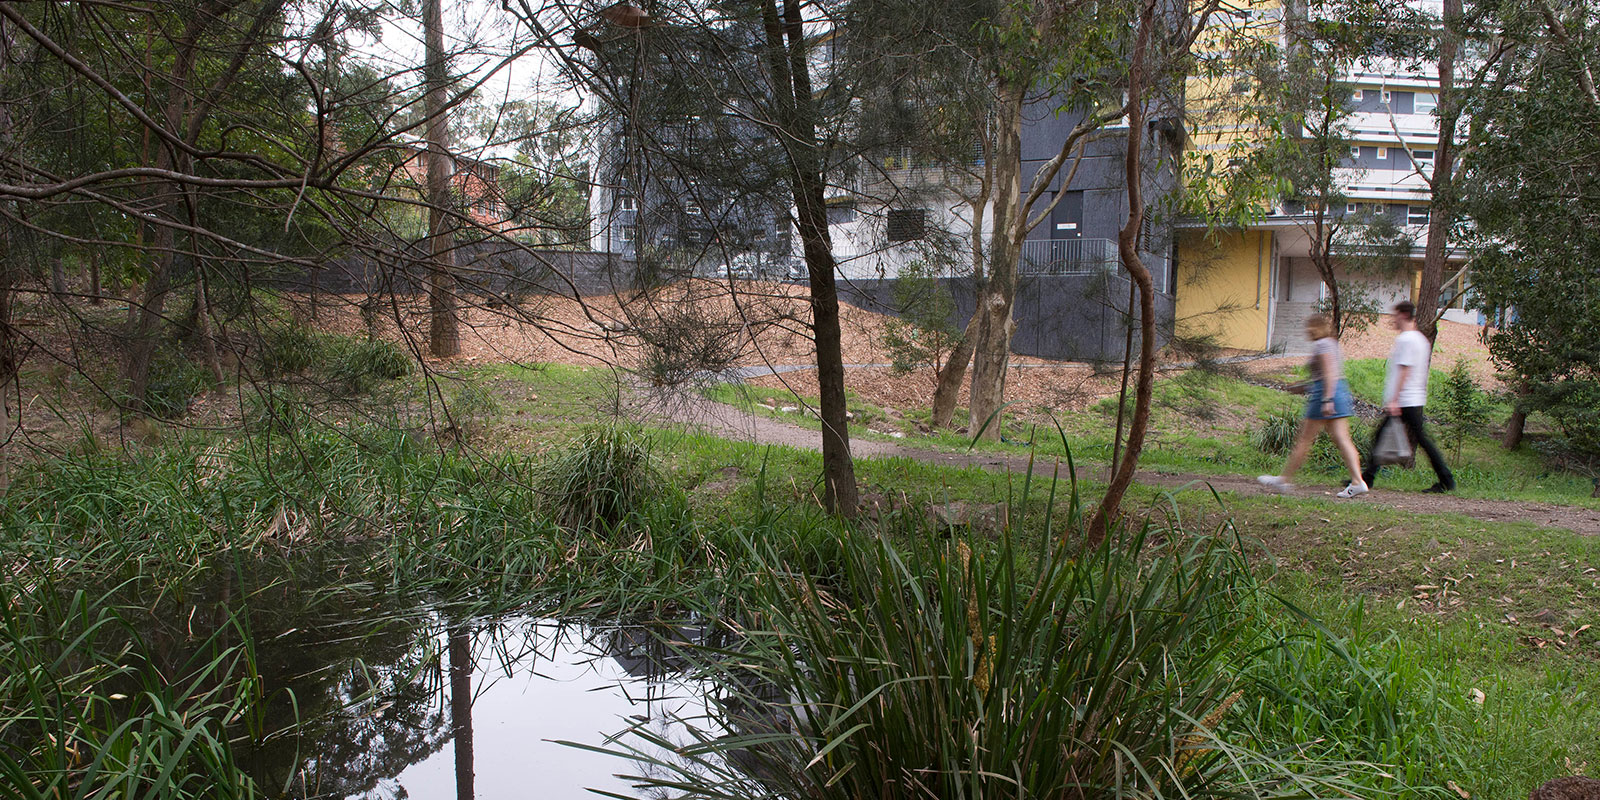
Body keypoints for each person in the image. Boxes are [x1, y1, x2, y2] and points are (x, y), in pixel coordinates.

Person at [1257, 313, 1368, 497]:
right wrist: (1303, 387)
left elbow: (1329, 373)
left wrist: (1326, 400)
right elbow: (1330, 375)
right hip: (1339, 392)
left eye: (1310, 326)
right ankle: (1358, 481)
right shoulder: (1332, 344)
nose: (1307, 330)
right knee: (1343, 439)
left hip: (1325, 395)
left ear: (1316, 328)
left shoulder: (1322, 344)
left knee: (1304, 440)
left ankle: (1283, 480)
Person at [1361, 300, 1455, 493]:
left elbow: (1404, 369)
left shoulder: (1406, 339)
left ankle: (1366, 479)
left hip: (1404, 400)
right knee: (1418, 439)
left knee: (1389, 438)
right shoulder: (1420, 339)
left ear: (1403, 315)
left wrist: (1394, 399)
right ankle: (1366, 478)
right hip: (1414, 398)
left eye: (1395, 315)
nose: (1393, 319)